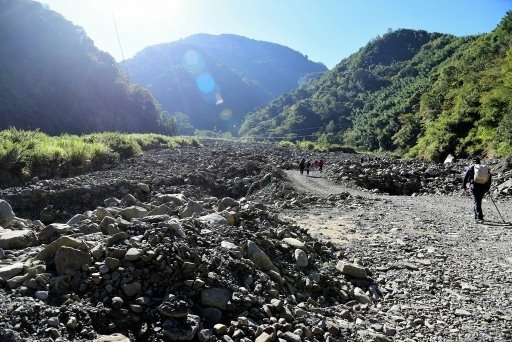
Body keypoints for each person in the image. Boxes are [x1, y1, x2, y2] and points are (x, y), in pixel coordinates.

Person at [462, 157, 492, 222]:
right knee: (478, 201)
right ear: (479, 162)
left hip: (474, 186)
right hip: (483, 186)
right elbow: (489, 178)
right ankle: (477, 217)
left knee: (476, 201)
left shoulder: (471, 168)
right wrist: (487, 188)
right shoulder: (484, 168)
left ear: (473, 162)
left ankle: (479, 217)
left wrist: (464, 187)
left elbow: (465, 178)